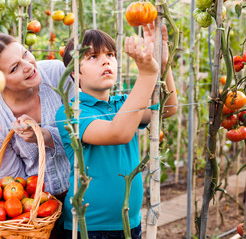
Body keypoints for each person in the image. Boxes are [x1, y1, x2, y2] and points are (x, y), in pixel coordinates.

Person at [55, 23, 177, 239]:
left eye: (110, 54)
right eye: (93, 57)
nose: (105, 60)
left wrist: (163, 63)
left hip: (130, 222)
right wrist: (147, 75)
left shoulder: (124, 103)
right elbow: (118, 133)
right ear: (75, 73)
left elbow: (168, 109)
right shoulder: (70, 112)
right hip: (87, 227)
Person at [0, 32, 74, 203]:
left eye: (25, 53)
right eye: (14, 68)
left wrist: (45, 136)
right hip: (39, 208)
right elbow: (13, 181)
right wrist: (38, 208)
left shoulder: (57, 74)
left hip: (85, 190)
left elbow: (87, 131)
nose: (28, 65)